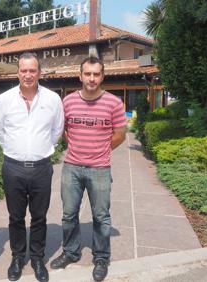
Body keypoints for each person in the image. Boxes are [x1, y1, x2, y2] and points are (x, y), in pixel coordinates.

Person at [50, 56, 127, 282]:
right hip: (72, 167)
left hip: (100, 169)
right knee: (68, 214)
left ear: (102, 76)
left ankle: (101, 257)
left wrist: (101, 149)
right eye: (88, 74)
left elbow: (120, 135)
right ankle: (71, 252)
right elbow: (63, 129)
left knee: (101, 216)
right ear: (80, 75)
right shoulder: (68, 102)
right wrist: (76, 146)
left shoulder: (114, 103)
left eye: (96, 74)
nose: (91, 78)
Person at [0, 52, 64, 282]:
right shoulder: (4, 99)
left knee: (39, 217)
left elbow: (57, 131)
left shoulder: (53, 99)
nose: (28, 75)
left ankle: (37, 258)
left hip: (42, 168)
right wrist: (13, 149)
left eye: (32, 70)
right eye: (24, 70)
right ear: (18, 72)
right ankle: (17, 257)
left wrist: (42, 149)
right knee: (15, 217)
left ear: (39, 72)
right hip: (13, 168)